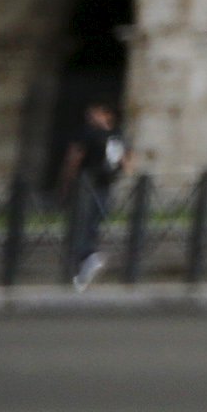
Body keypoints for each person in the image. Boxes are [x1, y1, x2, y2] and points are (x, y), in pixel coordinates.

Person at [55, 100, 125, 289]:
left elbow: (74, 158)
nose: (90, 116)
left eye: (94, 112)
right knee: (93, 224)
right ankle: (83, 270)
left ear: (106, 113)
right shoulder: (117, 135)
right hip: (105, 184)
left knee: (80, 225)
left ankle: (86, 261)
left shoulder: (87, 133)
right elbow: (125, 161)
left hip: (86, 183)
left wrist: (66, 182)